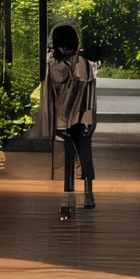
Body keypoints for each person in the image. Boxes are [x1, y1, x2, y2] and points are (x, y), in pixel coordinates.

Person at [47, 19, 97, 218]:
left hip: (61, 118)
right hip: (82, 117)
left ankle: (68, 195)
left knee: (66, 156)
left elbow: (49, 92)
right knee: (84, 154)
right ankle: (88, 194)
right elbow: (90, 91)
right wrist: (90, 117)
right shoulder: (84, 64)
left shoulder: (53, 65)